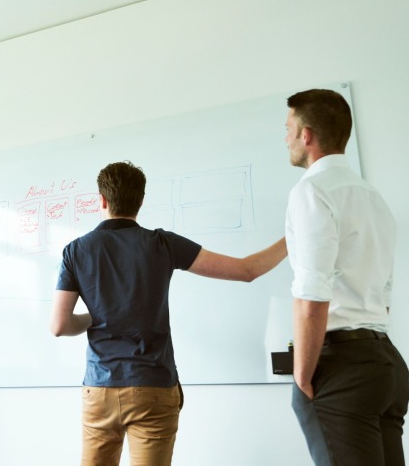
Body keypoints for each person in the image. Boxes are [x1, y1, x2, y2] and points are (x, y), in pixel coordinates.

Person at [50, 160, 287, 466]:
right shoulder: (162, 244)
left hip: (99, 388)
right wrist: (291, 238)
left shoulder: (76, 250)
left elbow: (59, 325)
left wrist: (92, 318)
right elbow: (247, 270)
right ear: (141, 200)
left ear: (103, 200)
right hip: (153, 386)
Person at [284, 89, 408, 465]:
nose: (285, 137)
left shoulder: (311, 191)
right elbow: (383, 291)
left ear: (306, 135)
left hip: (341, 368)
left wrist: (303, 377)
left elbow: (311, 295)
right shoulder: (371, 196)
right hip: (386, 364)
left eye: (288, 128)